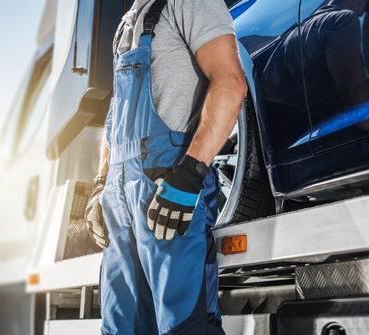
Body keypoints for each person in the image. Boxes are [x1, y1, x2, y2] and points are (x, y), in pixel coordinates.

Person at [83, 0, 247, 334]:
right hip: (121, 191)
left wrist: (191, 173)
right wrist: (102, 184)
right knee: (121, 326)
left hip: (168, 181)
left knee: (184, 324)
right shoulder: (129, 20)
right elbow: (115, 111)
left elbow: (230, 82)